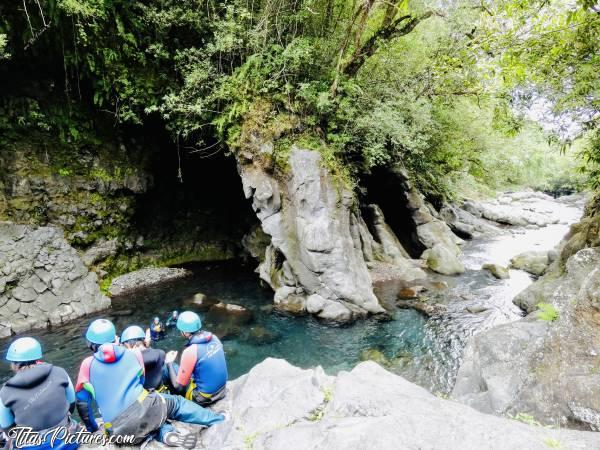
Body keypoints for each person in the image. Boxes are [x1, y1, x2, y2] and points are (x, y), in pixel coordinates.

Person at [75, 319, 224, 449]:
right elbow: (140, 383)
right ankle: (217, 420)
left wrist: (93, 427)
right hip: (144, 408)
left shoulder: (87, 365)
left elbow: (82, 403)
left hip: (116, 431)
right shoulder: (135, 355)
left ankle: (165, 434)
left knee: (145, 422)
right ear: (115, 339)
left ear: (90, 344)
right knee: (173, 405)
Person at [0, 337, 81, 450]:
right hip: (68, 442)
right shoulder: (60, 372)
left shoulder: (5, 391)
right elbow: (72, 405)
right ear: (37, 357)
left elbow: (7, 428)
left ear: (14, 364)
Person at [165, 311, 228, 406]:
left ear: (185, 332)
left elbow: (179, 387)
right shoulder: (214, 338)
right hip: (223, 388)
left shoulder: (190, 351)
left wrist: (169, 362)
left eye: (180, 330)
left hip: (206, 397)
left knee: (171, 369)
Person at [120, 325, 167, 392]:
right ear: (143, 340)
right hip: (161, 392)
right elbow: (149, 355)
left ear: (129, 344)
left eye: (124, 345)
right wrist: (148, 346)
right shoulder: (160, 353)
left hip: (144, 397)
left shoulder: (129, 361)